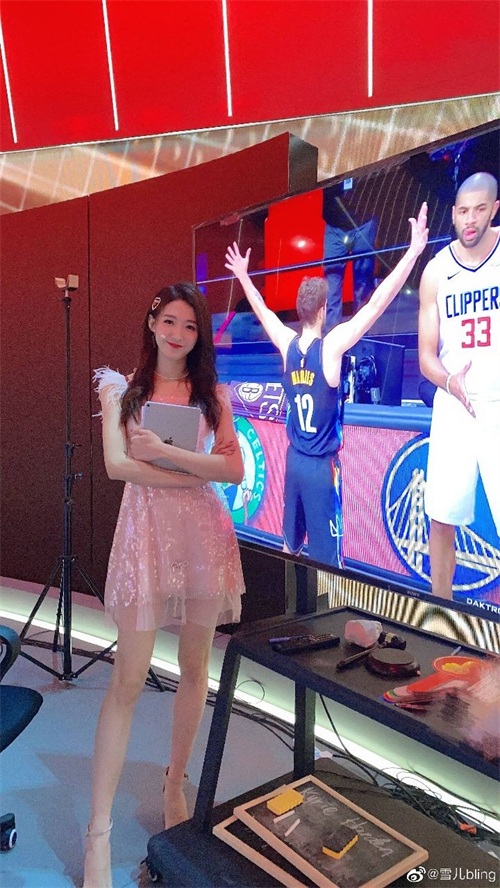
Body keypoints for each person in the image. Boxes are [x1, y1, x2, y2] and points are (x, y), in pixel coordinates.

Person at [83, 283, 245, 888]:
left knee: (196, 667)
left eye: (190, 326)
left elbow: (234, 469)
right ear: (152, 322)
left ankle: (174, 781)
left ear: (199, 336)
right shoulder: (120, 389)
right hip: (145, 536)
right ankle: (97, 831)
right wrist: (189, 471)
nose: (178, 334)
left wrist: (167, 459)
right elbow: (117, 466)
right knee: (127, 680)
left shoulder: (211, 394)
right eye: (170, 321)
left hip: (202, 537)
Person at [225, 203, 428, 568]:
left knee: (289, 549)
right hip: (321, 469)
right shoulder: (330, 349)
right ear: (322, 311)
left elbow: (261, 309)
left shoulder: (286, 343)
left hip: (294, 463)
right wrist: (412, 253)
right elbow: (376, 305)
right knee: (329, 563)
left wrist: (242, 274)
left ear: (301, 310)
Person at [418, 171, 500, 600]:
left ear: (494, 209)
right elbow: (426, 355)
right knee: (441, 516)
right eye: (463, 211)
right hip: (453, 404)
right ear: (452, 214)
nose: (470, 219)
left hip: (497, 404)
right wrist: (449, 381)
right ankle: (440, 614)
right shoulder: (436, 270)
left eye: (479, 210)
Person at [322, 179, 378, 330]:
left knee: (363, 283)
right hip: (334, 225)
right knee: (332, 283)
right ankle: (332, 335)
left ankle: (360, 333)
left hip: (364, 222)